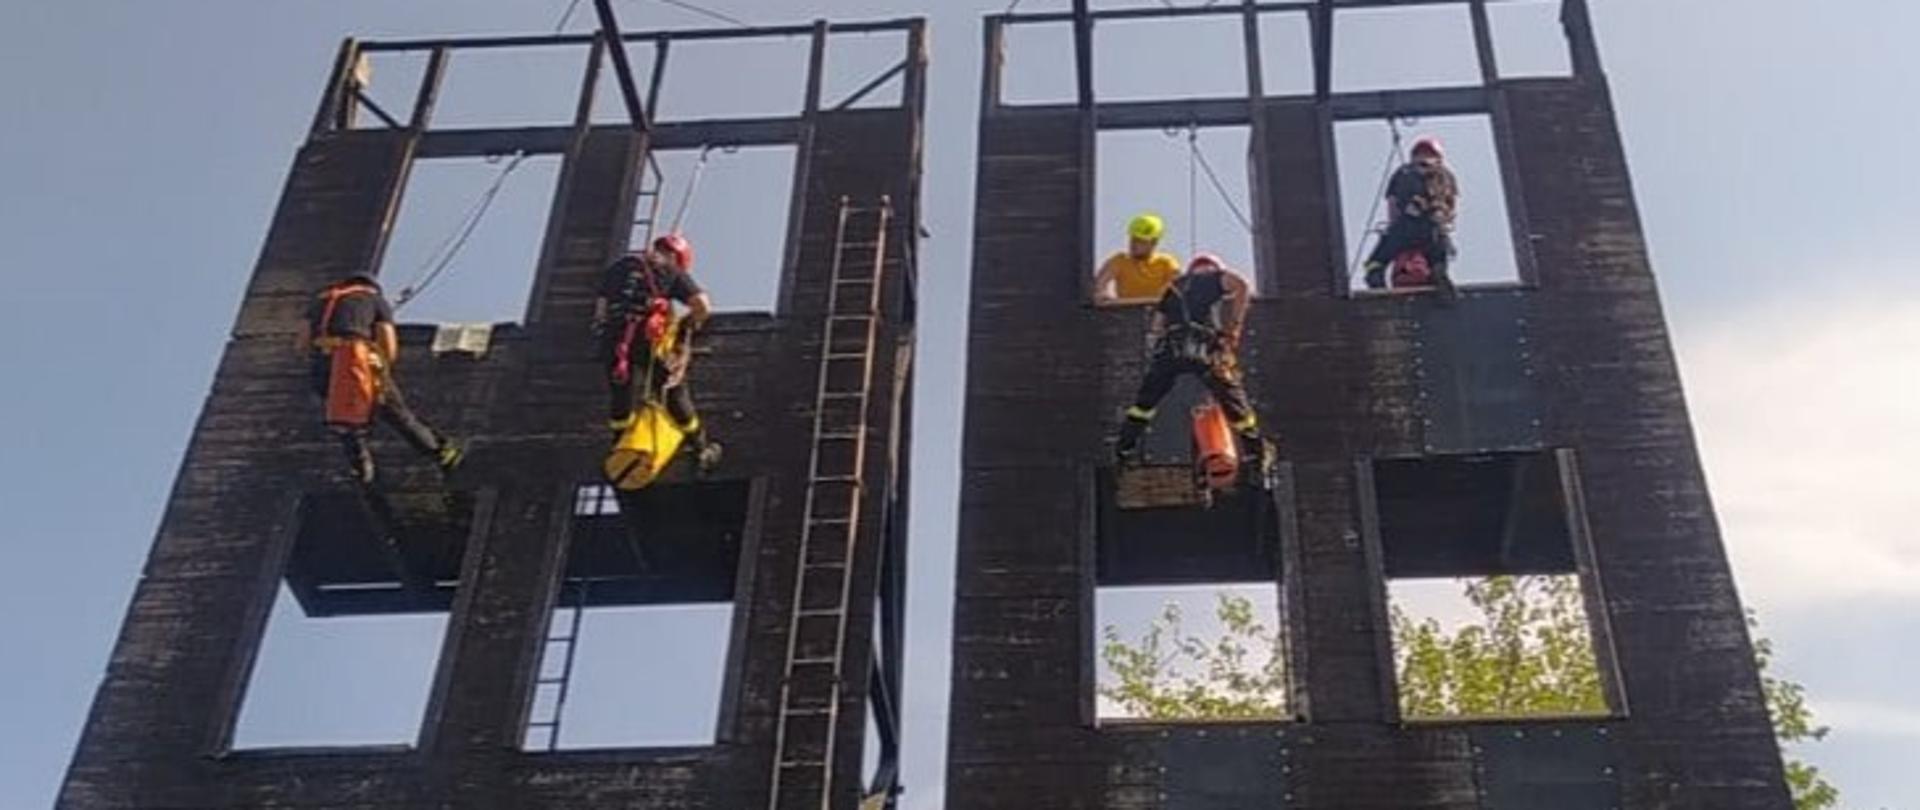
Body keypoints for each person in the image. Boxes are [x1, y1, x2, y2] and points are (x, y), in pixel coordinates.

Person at [296, 274, 464, 485]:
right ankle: (440, 453)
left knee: (343, 418)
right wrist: (382, 368)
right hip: (355, 360)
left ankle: (362, 469)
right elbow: (388, 342)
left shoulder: (321, 301)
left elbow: (302, 343)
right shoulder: (374, 299)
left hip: (322, 363)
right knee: (396, 413)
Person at [1114, 253, 1266, 472]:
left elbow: (1157, 326)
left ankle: (1124, 449)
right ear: (1212, 267)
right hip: (1203, 348)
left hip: (1171, 351)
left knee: (1144, 404)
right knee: (1233, 399)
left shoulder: (1174, 287)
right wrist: (1234, 326)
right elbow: (1242, 286)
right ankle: (1255, 453)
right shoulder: (1214, 277)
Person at [593, 233, 721, 471]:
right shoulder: (670, 271)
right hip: (644, 337)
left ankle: (620, 446)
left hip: (613, 339)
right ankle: (701, 447)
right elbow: (702, 305)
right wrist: (689, 324)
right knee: (672, 388)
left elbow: (600, 310)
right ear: (675, 257)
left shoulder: (620, 266)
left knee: (622, 393)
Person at [1361, 136, 1459, 295]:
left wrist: (1394, 228)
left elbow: (1393, 203)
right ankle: (1438, 274)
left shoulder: (1404, 172)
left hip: (1407, 225)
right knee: (1437, 257)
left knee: (1376, 261)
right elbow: (1451, 206)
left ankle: (1376, 276)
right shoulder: (1446, 176)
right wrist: (1444, 225)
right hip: (1432, 228)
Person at [1092, 213, 1182, 305]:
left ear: (1153, 243)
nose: (1133, 244)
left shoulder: (1166, 263)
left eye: (1140, 241)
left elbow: (1178, 293)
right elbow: (1099, 286)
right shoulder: (1119, 261)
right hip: (1125, 315)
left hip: (1156, 315)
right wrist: (1102, 294)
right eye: (1133, 239)